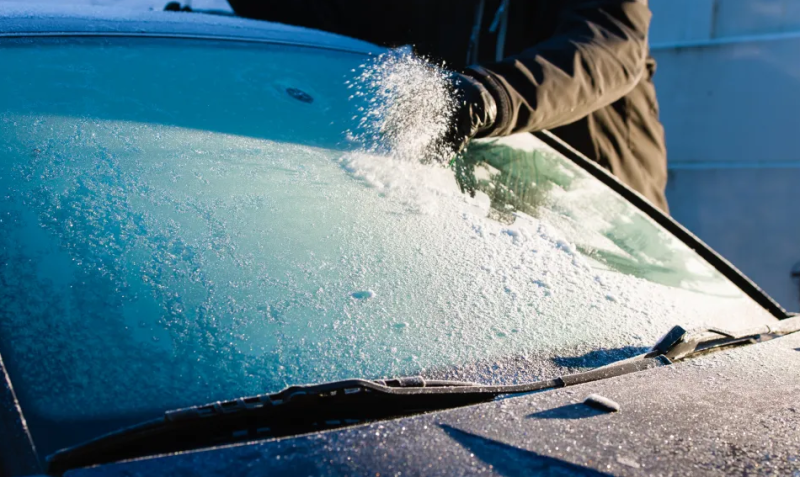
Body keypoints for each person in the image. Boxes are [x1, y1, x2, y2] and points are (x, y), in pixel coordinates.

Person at [227, 0, 669, 212]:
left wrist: (487, 95)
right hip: (500, 216)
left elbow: (611, 47)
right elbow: (335, 15)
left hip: (608, 209)